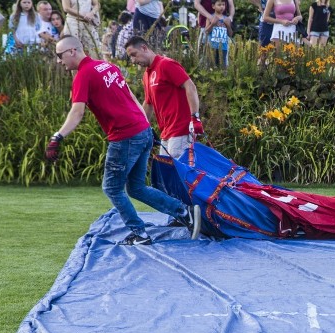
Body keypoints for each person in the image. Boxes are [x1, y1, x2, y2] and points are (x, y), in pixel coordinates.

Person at [46, 36, 200, 246]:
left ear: (72, 51)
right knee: (136, 187)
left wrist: (58, 136)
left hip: (126, 136)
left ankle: (139, 233)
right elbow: (133, 98)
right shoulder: (106, 67)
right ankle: (183, 211)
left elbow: (77, 112)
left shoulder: (83, 75)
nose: (58, 61)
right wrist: (147, 127)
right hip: (142, 131)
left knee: (112, 188)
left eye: (59, 55)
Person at [124, 35, 204, 161]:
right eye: (130, 57)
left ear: (144, 48)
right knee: (167, 173)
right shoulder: (146, 75)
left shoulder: (166, 64)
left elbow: (190, 87)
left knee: (177, 175)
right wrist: (141, 128)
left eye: (134, 54)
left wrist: (195, 117)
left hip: (180, 130)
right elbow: (148, 103)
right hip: (166, 133)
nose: (133, 60)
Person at [205, 0, 233, 67]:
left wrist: (228, 26)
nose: (222, 7)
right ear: (213, 6)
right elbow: (206, 32)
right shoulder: (210, 18)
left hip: (223, 48)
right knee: (211, 66)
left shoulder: (227, 19)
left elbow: (230, 34)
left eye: (223, 5)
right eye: (219, 5)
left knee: (222, 67)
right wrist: (212, 24)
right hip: (212, 47)